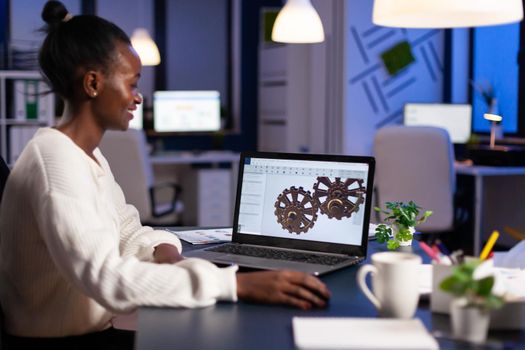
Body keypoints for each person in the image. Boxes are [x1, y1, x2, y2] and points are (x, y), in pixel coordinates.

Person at [0, 1, 330, 349]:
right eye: (132, 83)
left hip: (89, 330)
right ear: (94, 83)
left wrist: (162, 249)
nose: (138, 97)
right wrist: (235, 286)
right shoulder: (56, 162)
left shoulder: (86, 153)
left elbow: (126, 227)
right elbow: (106, 277)